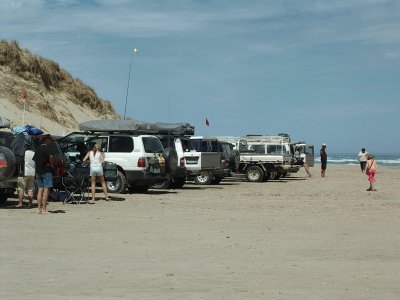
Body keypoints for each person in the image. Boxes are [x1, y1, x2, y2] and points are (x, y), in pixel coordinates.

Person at [33, 135, 55, 214]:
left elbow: (34, 160)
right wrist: (52, 164)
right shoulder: (48, 148)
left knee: (40, 189)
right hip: (46, 170)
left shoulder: (38, 149)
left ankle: (39, 209)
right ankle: (44, 209)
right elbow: (51, 156)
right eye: (50, 140)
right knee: (46, 190)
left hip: (39, 171)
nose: (51, 142)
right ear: (47, 140)